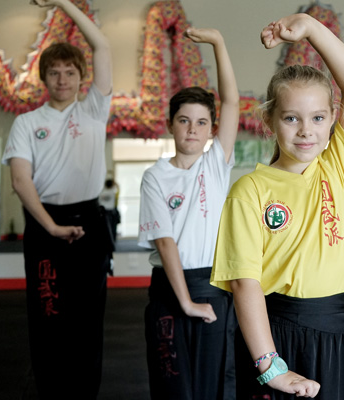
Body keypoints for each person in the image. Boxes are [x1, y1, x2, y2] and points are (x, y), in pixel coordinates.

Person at [211, 13, 344, 399]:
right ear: (270, 121)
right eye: (291, 118)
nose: (306, 130)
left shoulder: (340, 167)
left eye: (318, 118)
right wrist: (270, 364)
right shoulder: (250, 189)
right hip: (278, 336)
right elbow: (245, 283)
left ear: (332, 121)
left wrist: (310, 27)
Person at [1, 0, 113, 398]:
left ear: (82, 77)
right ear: (43, 77)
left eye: (70, 72)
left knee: (86, 320)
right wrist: (50, 226)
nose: (62, 79)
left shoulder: (94, 111)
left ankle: (85, 393)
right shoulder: (27, 123)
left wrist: (63, 3)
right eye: (54, 72)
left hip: (88, 223)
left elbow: (101, 46)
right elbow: (20, 178)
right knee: (48, 317)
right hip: (45, 223)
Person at [137, 27, 239, 400]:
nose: (192, 129)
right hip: (169, 290)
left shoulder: (215, 165)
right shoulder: (155, 176)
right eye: (183, 120)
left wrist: (218, 43)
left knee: (213, 385)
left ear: (211, 129)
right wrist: (184, 302)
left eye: (200, 122)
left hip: (212, 286)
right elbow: (165, 242)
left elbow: (230, 102)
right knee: (173, 386)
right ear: (170, 125)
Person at [99, 176, 120, 241]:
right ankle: (113, 240)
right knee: (113, 227)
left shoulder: (101, 192)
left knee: (104, 228)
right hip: (111, 212)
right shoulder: (114, 192)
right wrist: (115, 183)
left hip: (102, 212)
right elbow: (118, 188)